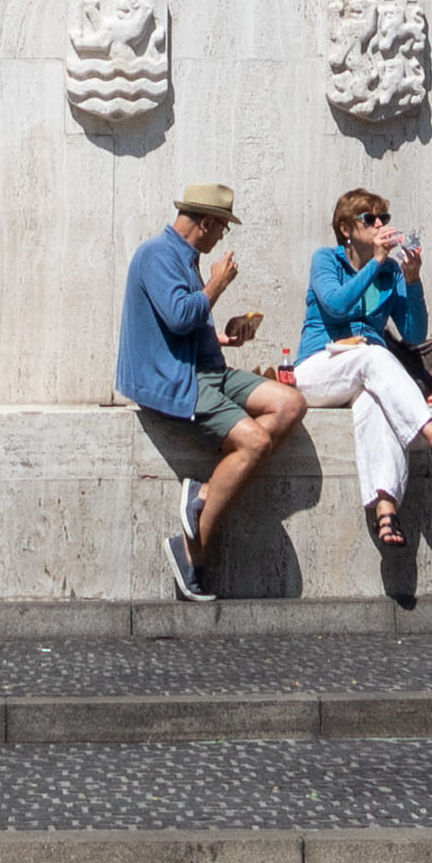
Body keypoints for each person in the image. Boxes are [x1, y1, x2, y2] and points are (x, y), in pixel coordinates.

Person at [118, 183, 301, 601]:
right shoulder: (158, 256)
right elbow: (180, 317)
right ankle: (190, 552)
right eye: (222, 228)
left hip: (206, 368)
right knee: (255, 443)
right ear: (206, 222)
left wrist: (222, 336)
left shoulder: (183, 258)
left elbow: (182, 323)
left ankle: (204, 492)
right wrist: (217, 284)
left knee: (289, 403)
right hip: (177, 379)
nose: (222, 237)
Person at [290, 188, 432, 555]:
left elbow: (413, 334)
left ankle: (386, 508)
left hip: (366, 370)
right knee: (374, 356)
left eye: (383, 219)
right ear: (346, 229)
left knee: (374, 401)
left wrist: (413, 281)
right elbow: (336, 305)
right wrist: (374, 263)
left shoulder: (391, 271)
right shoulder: (326, 260)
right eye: (369, 219)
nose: (379, 225)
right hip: (319, 367)